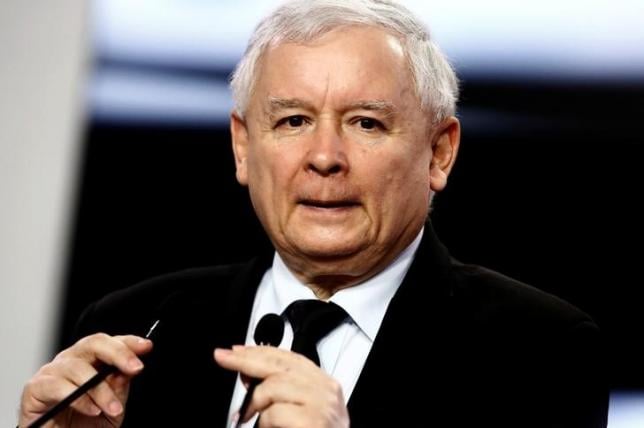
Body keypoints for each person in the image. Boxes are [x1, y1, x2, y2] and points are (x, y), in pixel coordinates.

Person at [19, 1, 608, 427]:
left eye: (366, 123)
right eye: (293, 121)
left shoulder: (542, 353)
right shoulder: (139, 325)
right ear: (244, 147)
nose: (324, 158)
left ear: (439, 152)